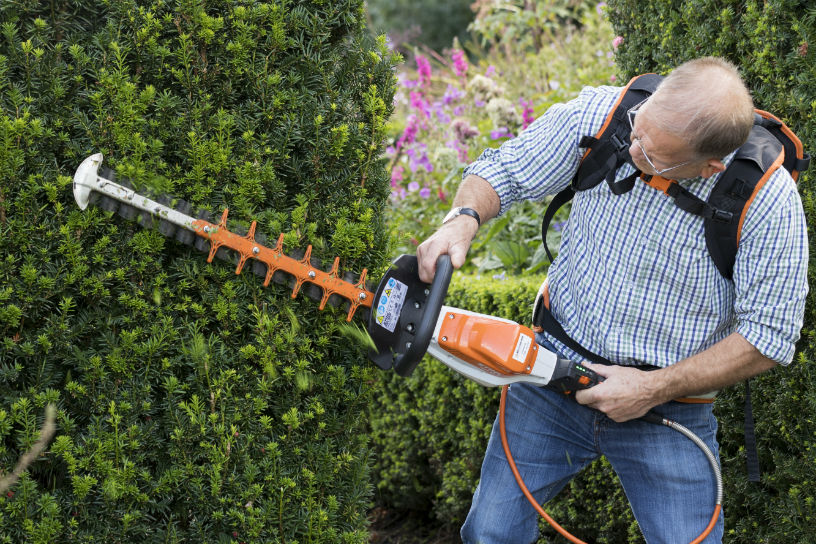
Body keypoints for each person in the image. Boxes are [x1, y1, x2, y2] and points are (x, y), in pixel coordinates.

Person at [416, 57, 809, 544]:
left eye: (652, 155)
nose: (633, 148)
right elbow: (504, 169)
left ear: (709, 166)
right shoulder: (607, 115)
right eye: (637, 132)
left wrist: (652, 388)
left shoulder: (767, 201)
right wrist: (463, 217)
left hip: (668, 409)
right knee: (490, 533)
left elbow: (768, 336)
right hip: (547, 376)